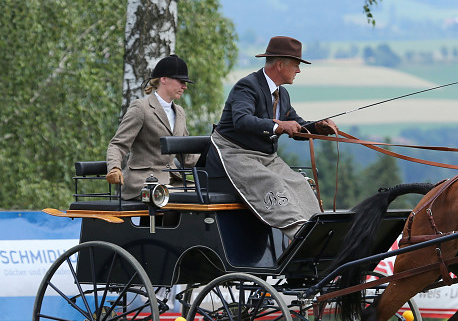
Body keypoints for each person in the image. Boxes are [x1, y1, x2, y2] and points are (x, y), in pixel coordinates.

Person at [205, 36, 339, 238]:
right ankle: (301, 237)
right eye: (296, 65)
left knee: (299, 183)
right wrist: (278, 126)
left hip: (265, 157)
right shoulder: (247, 86)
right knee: (273, 183)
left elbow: (294, 124)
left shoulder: (282, 94)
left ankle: (320, 233)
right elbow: (242, 121)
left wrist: (317, 128)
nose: (299, 71)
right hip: (235, 154)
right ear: (279, 65)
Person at [106, 54, 199, 199]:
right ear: (164, 79)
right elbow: (117, 145)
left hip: (171, 181)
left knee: (203, 194)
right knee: (180, 198)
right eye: (181, 81)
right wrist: (114, 168)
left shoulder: (179, 112)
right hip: (143, 182)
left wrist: (217, 159)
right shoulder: (141, 108)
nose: (184, 86)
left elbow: (187, 156)